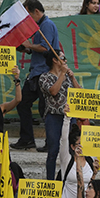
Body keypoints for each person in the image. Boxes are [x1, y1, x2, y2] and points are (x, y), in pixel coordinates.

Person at [12, 0, 59, 150]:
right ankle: (27, 139)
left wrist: (28, 45)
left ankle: (50, 142)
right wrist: (25, 49)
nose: (27, 19)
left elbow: (46, 48)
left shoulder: (47, 25)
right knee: (23, 103)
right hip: (36, 73)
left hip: (45, 73)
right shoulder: (40, 26)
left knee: (44, 108)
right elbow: (37, 49)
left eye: (28, 15)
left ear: (36, 12)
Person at [40, 50, 76, 180]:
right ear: (55, 60)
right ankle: (50, 181)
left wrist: (72, 77)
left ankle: (67, 179)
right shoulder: (44, 77)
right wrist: (62, 74)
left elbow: (80, 93)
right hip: (54, 117)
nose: (65, 60)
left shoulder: (67, 76)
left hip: (70, 117)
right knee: (53, 150)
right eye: (63, 58)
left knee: (71, 150)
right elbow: (53, 91)